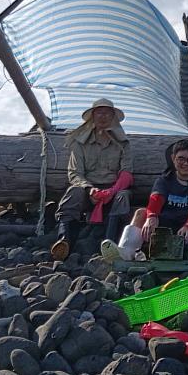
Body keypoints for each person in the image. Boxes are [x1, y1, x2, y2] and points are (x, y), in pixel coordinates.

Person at [109, 139, 188, 259]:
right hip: (164, 227)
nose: (186, 163)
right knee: (141, 213)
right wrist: (151, 217)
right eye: (181, 158)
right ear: (173, 158)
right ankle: (125, 252)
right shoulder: (165, 179)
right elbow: (156, 198)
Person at [51, 98, 133, 261]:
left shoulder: (123, 144)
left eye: (107, 113)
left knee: (122, 197)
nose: (103, 117)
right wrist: (90, 189)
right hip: (88, 189)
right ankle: (64, 241)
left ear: (113, 118)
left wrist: (112, 191)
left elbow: (127, 173)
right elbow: (74, 173)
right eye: (99, 113)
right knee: (72, 194)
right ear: (93, 117)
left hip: (113, 188)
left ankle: (110, 244)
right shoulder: (79, 144)